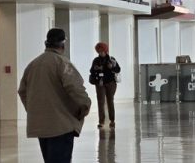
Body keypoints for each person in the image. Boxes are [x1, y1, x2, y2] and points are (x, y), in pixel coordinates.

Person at [18, 28, 92, 163]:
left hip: (41, 126)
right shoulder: (62, 63)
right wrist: (85, 106)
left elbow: (22, 91)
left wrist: (34, 111)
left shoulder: (33, 65)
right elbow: (75, 88)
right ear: (63, 44)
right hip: (61, 125)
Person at [88, 42, 121, 129]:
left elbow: (118, 69)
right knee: (100, 102)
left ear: (106, 51)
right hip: (100, 83)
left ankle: (112, 120)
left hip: (110, 83)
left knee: (110, 101)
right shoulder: (96, 60)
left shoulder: (111, 59)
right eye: (99, 51)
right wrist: (95, 69)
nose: (101, 53)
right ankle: (101, 121)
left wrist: (112, 67)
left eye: (102, 51)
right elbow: (91, 71)